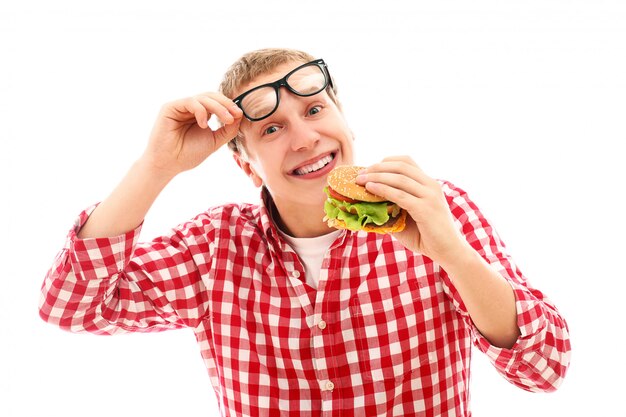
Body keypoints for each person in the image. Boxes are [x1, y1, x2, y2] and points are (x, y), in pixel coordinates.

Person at [39, 48, 571, 416]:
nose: (305, 138)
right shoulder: (215, 245)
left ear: (346, 123)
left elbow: (545, 368)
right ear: (248, 168)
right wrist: (157, 166)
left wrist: (451, 252)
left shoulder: (435, 206)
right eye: (272, 129)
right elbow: (72, 307)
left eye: (315, 110)